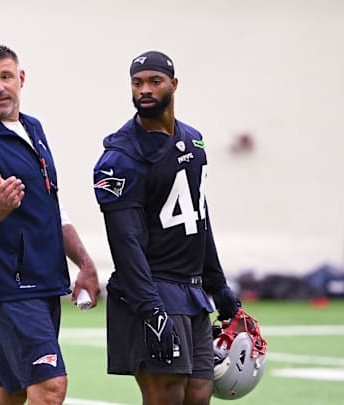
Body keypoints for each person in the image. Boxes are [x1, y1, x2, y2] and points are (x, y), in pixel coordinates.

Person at [0, 44, 101, 405]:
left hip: (43, 284)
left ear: (21, 79)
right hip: (7, 287)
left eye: (5, 76)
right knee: (49, 388)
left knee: (8, 395)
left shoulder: (34, 128)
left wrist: (86, 264)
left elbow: (53, 208)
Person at [92, 51, 243, 405]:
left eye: (154, 82)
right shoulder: (120, 157)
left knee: (200, 393)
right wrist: (151, 310)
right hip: (153, 289)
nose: (144, 90)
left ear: (173, 85)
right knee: (167, 396)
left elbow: (198, 218)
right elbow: (124, 242)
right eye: (137, 83)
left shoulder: (193, 141)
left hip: (191, 291)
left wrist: (218, 286)